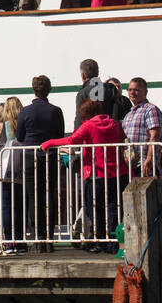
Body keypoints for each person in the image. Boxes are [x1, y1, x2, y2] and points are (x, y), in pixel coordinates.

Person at [41, 99, 128, 252]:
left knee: (94, 208)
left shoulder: (88, 125)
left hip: (96, 172)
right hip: (117, 172)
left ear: (86, 114)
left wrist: (49, 142)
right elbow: (122, 138)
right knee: (114, 207)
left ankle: (100, 240)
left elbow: (71, 140)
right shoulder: (114, 123)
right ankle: (113, 243)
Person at [15, 75, 65, 252]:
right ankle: (49, 239)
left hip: (30, 156)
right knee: (48, 195)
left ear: (33, 89)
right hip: (50, 154)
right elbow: (60, 136)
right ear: (48, 90)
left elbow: (19, 136)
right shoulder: (55, 111)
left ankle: (37, 237)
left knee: (33, 197)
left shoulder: (25, 111)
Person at [0, 96, 25, 255]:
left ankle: (9, 241)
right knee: (20, 205)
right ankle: (20, 239)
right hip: (21, 168)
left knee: (6, 205)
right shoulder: (23, 124)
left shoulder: (3, 126)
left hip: (5, 169)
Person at [122, 78, 162, 174]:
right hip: (130, 166)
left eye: (136, 90)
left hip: (145, 165)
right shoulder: (128, 114)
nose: (132, 93)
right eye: (130, 90)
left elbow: (155, 136)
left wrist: (149, 159)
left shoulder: (150, 109)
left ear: (145, 91)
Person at [74, 58, 123, 129]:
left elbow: (79, 119)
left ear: (83, 76)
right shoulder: (111, 88)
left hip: (92, 135)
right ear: (98, 72)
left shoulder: (82, 93)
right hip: (112, 132)